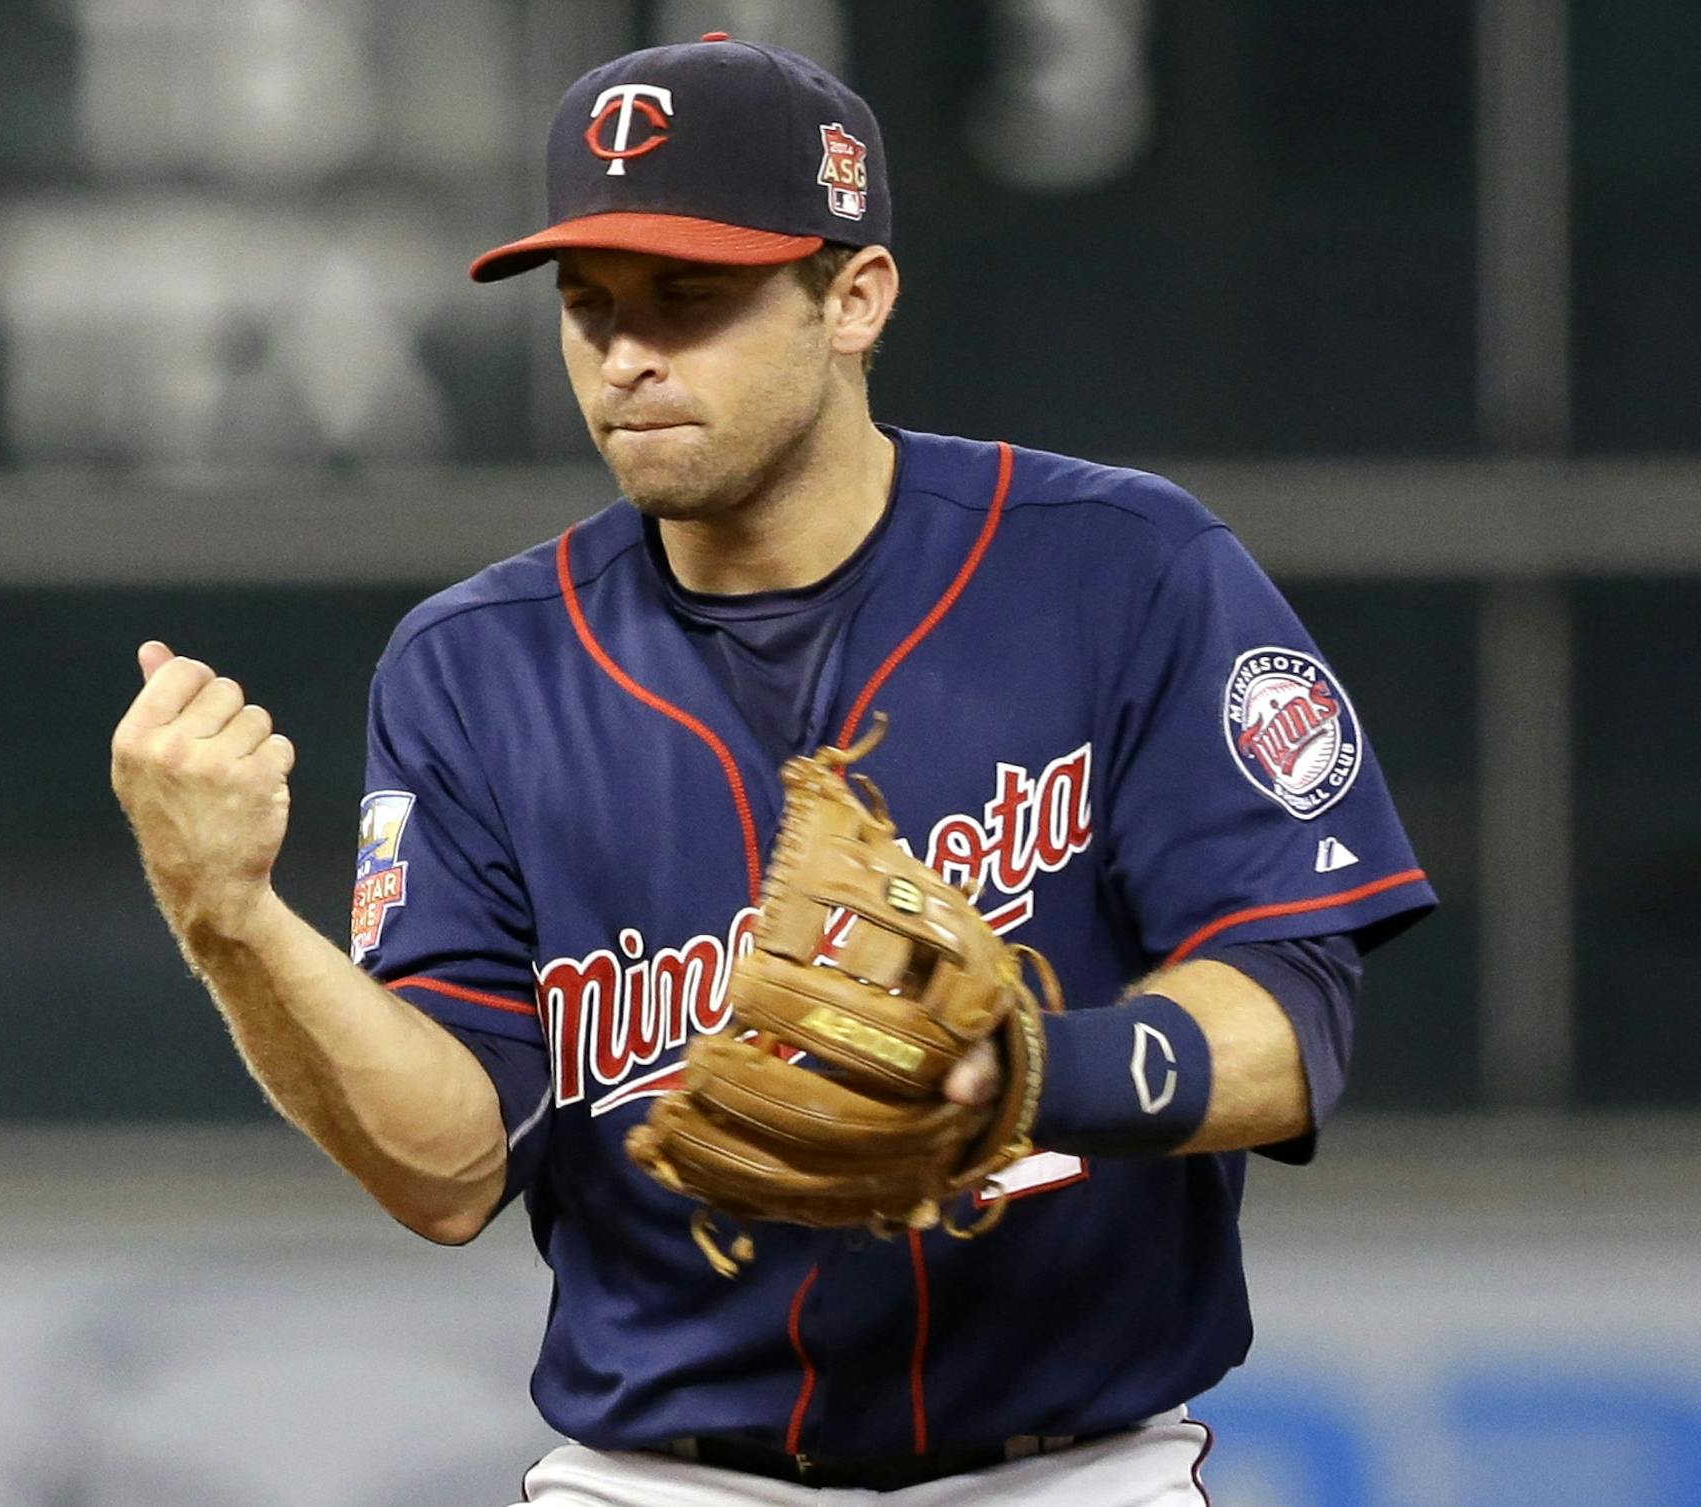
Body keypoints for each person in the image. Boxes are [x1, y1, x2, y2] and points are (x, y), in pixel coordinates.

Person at [110, 32, 1435, 1505]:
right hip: (662, 1480)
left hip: (1072, 1475)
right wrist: (229, 916)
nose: (628, 354)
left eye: (694, 297)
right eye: (591, 307)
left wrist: (1022, 1073)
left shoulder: (1123, 571)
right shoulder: (477, 665)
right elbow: (447, 1167)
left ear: (853, 297)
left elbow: (1291, 1016)